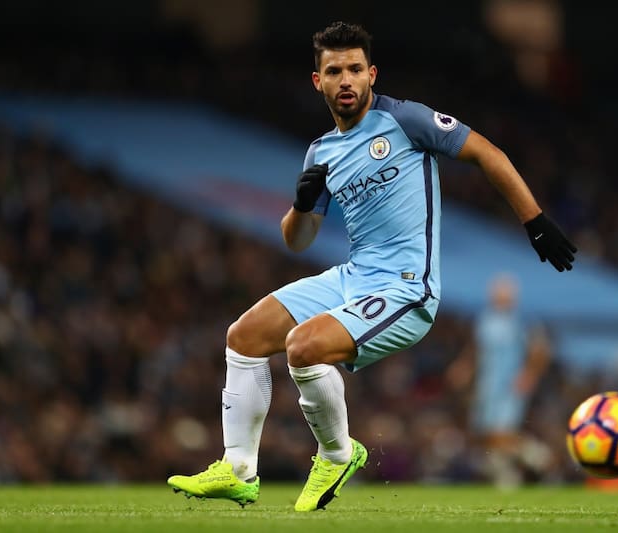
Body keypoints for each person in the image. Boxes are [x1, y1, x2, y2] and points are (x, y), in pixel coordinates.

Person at [167, 21, 576, 511]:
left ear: (372, 74)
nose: (346, 79)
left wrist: (534, 222)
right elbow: (299, 241)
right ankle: (237, 469)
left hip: (408, 289)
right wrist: (300, 205)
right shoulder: (321, 151)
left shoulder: (407, 121)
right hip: (353, 277)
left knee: (304, 347)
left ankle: (337, 453)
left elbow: (488, 154)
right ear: (317, 80)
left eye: (355, 69)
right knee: (244, 335)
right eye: (335, 70)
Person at [448, 274, 553, 486]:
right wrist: (464, 367)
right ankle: (530, 455)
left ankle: (520, 468)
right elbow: (476, 349)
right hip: (487, 384)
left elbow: (540, 350)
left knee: (501, 432)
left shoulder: (522, 319)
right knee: (484, 434)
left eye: (504, 294)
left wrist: (529, 374)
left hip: (509, 385)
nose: (500, 297)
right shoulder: (485, 319)